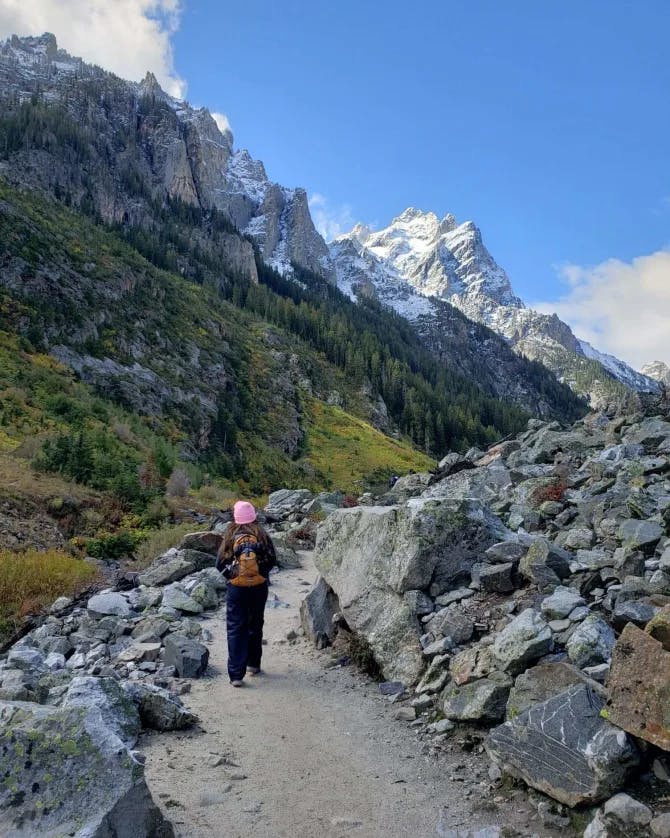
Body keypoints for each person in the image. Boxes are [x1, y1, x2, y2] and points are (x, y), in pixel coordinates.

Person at [216, 501, 277, 687]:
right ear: (253, 516)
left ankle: (236, 675)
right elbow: (272, 560)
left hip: (237, 589)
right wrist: (261, 574)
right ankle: (253, 664)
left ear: (236, 517)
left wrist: (232, 576)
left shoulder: (230, 535)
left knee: (235, 627)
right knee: (255, 623)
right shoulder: (262, 534)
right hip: (259, 587)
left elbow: (219, 564)